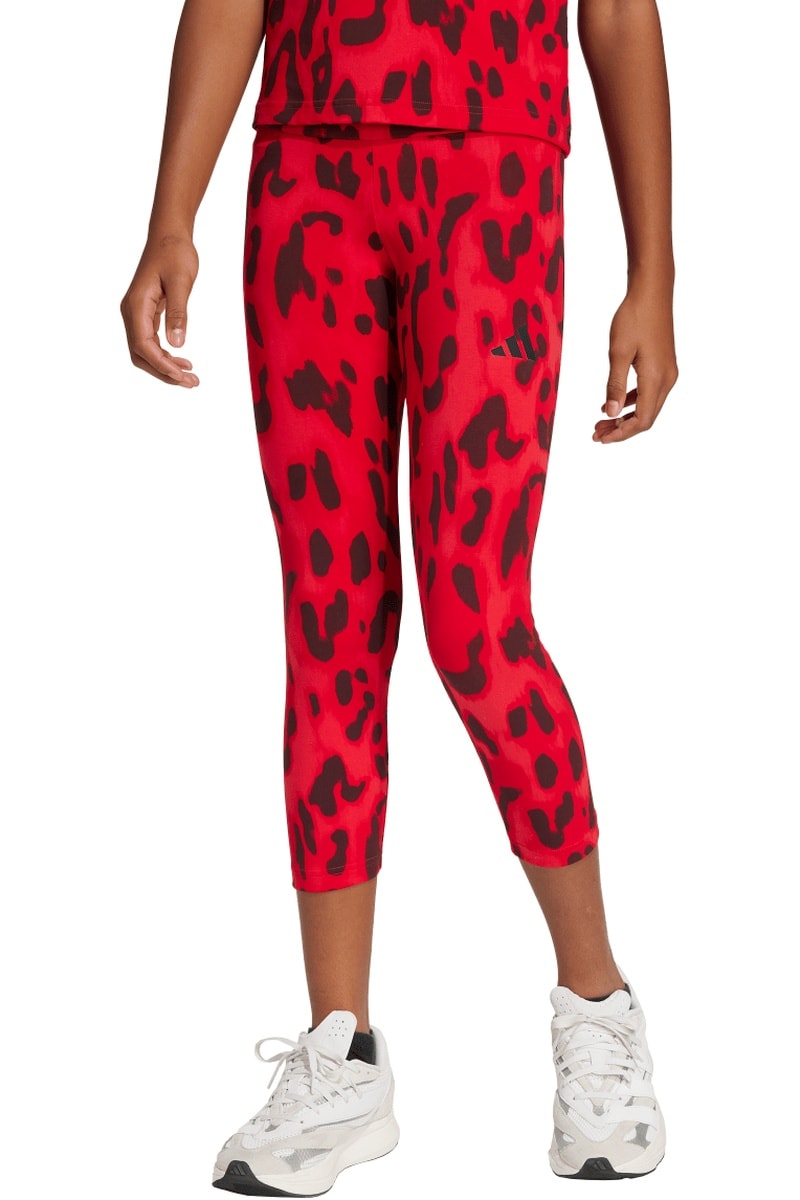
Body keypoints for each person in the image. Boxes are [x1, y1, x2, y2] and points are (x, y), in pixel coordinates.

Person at [121, 0, 677, 1189]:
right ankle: (341, 1054)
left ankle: (596, 1008)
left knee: (478, 622)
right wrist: (172, 212)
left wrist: (653, 274)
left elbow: (618, 14)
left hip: (495, 181)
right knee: (330, 616)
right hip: (307, 179)